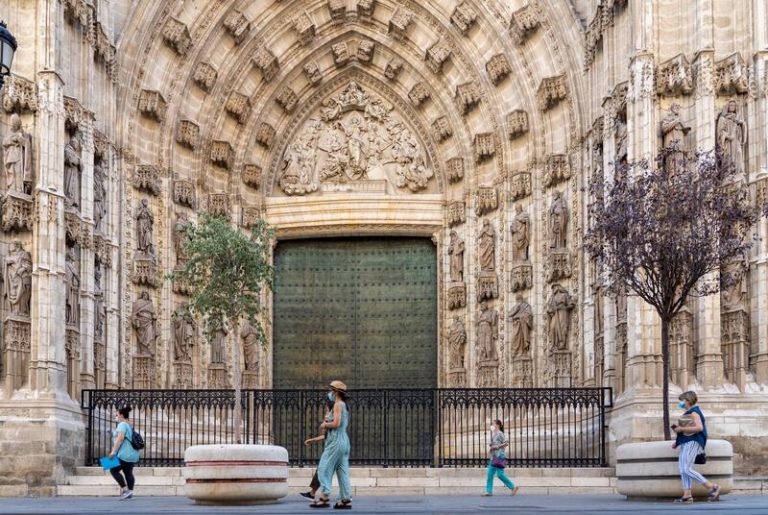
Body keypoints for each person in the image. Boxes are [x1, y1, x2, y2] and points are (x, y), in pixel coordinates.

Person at [671, 391, 721, 503]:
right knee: (682, 469)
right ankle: (687, 494)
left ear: (688, 401)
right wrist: (677, 442)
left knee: (686, 469)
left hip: (693, 442)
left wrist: (681, 429)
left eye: (682, 400)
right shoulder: (689, 413)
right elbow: (687, 431)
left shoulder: (694, 413)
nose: (680, 403)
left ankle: (712, 487)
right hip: (687, 443)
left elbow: (699, 428)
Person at [310, 380, 351, 509]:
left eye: (332, 390)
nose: (330, 393)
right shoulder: (343, 405)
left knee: (323, 468)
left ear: (336, 392)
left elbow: (336, 424)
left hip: (336, 441)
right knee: (342, 471)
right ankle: (345, 499)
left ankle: (324, 497)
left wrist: (325, 424)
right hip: (343, 441)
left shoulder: (338, 404)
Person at [300, 397, 335, 500]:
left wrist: (326, 423)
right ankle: (312, 493)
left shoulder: (334, 418)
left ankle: (320, 495)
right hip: (332, 449)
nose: (326, 411)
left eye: (327, 409)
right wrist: (313, 440)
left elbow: (326, 429)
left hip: (333, 449)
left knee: (323, 471)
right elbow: (325, 435)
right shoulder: (330, 418)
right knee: (324, 471)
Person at [108, 406, 141, 500]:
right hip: (132, 454)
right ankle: (130, 492)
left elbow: (120, 438)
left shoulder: (122, 424)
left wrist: (113, 452)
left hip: (124, 453)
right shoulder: (129, 425)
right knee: (128, 472)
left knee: (113, 469)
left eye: (117, 415)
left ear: (121, 415)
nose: (116, 416)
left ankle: (125, 490)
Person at [483, 419, 518, 497]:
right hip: (494, 456)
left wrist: (496, 446)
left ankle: (513, 487)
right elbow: (494, 444)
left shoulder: (500, 433)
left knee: (500, 474)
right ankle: (488, 491)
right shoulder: (494, 434)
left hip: (499, 456)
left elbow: (506, 443)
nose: (492, 425)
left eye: (493, 424)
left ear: (498, 425)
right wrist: (491, 446)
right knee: (489, 474)